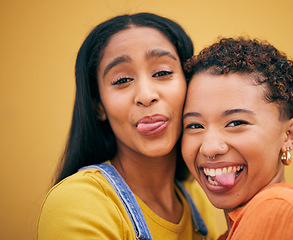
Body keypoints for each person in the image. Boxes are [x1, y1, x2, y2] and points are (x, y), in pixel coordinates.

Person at [37, 13, 223, 240]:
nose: (146, 95)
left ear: (189, 84)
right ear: (98, 106)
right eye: (122, 80)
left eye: (162, 72)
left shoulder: (196, 195)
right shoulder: (78, 203)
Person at [181, 37, 293, 239]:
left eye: (236, 123)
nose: (209, 148)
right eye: (194, 125)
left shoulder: (277, 208)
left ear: (289, 135)